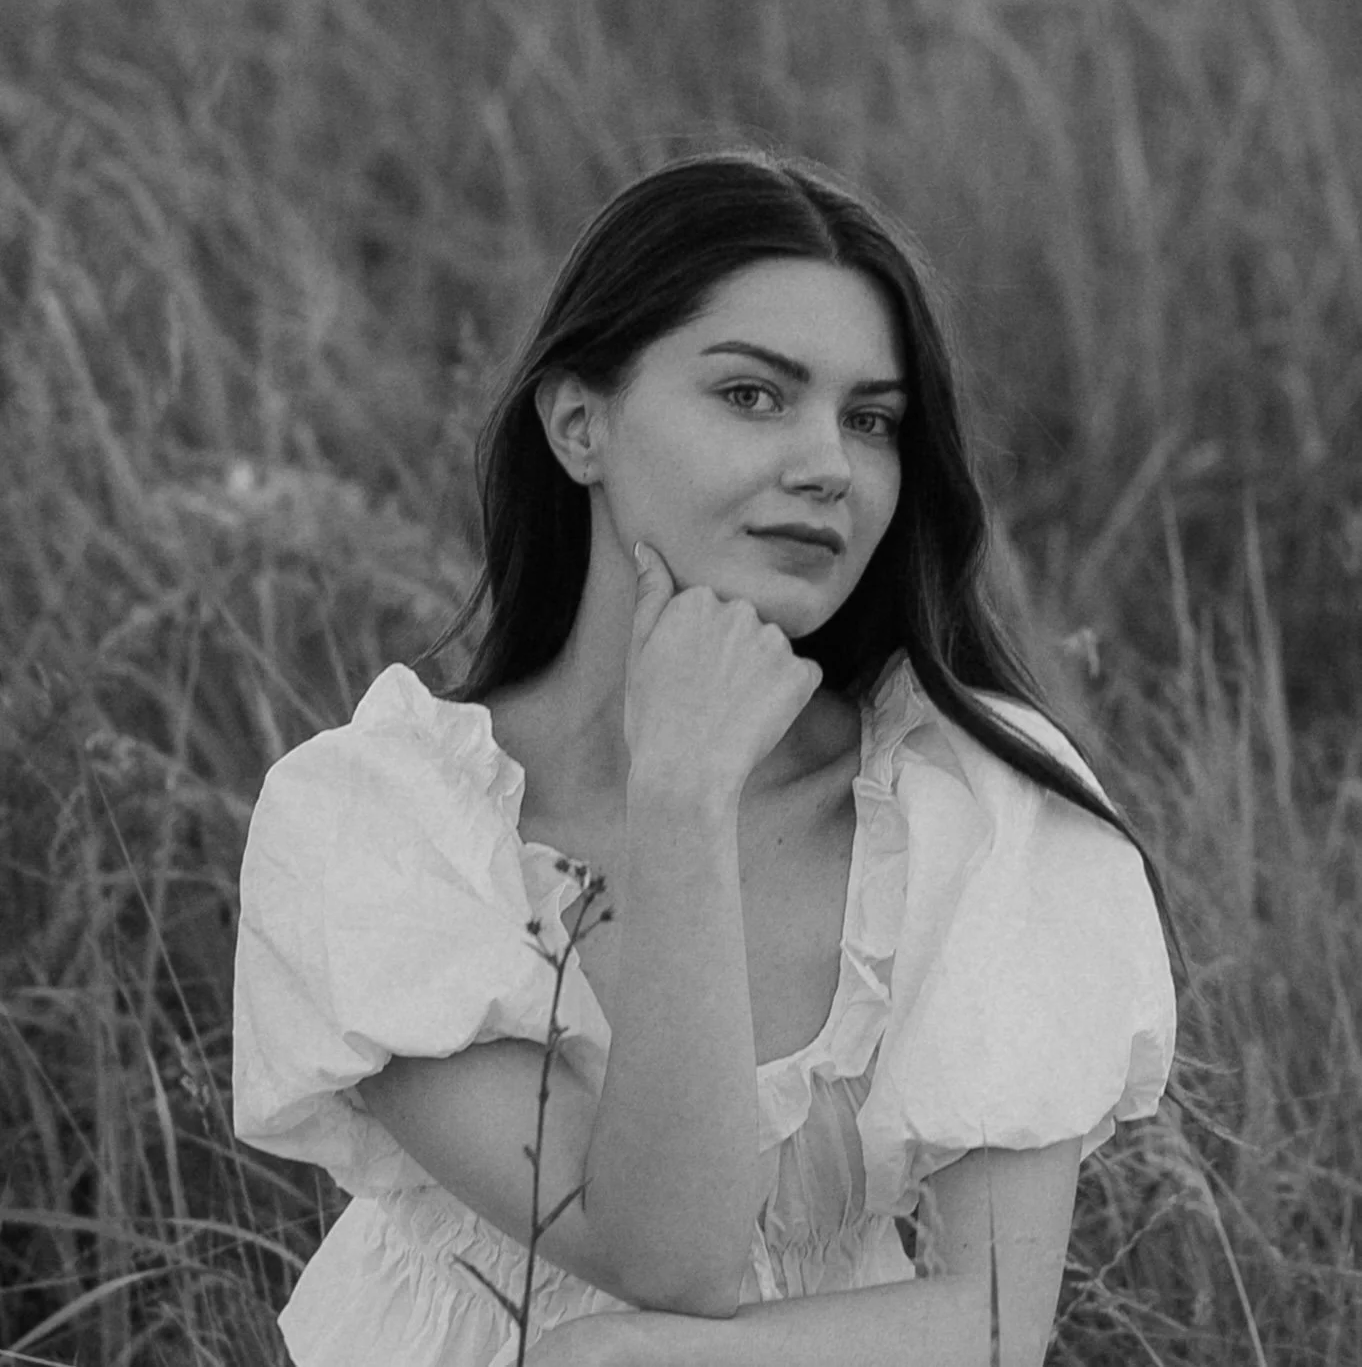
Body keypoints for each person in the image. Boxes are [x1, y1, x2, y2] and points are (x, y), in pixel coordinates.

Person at [232, 149, 1178, 1366]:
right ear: (580, 423)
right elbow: (668, 1251)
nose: (829, 464)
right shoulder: (378, 819)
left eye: (872, 419)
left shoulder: (976, 798)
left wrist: (622, 1360)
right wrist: (681, 791)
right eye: (752, 395)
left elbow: (991, 1325)